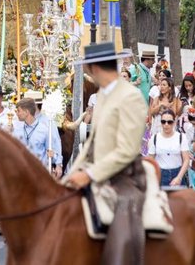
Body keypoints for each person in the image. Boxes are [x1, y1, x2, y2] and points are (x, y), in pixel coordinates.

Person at [66, 42, 147, 264]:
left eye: (89, 70)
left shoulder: (130, 96)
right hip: (97, 174)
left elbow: (127, 150)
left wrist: (90, 175)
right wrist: (73, 172)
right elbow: (92, 142)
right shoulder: (102, 96)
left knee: (120, 237)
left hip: (124, 177)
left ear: (96, 69)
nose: (89, 75)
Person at [13, 97, 63, 175]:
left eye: (19, 111)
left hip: (39, 174)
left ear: (26, 112)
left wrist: (58, 163)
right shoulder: (17, 129)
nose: (17, 113)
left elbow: (52, 151)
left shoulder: (44, 129)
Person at [147, 109, 190, 187]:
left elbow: (186, 160)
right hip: (160, 174)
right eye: (163, 121)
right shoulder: (155, 138)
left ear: (174, 123)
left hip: (178, 173)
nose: (166, 124)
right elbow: (151, 160)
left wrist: (179, 177)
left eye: (169, 122)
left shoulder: (181, 137)